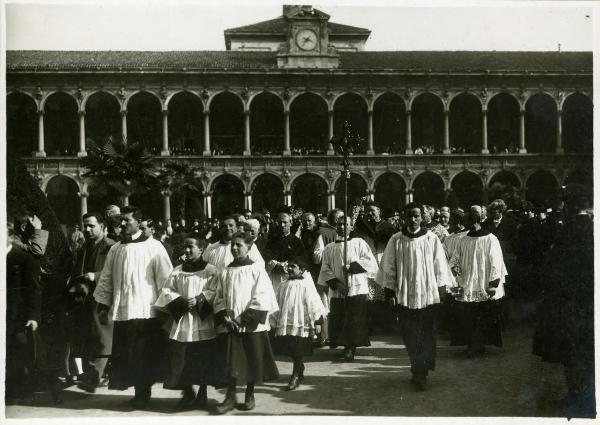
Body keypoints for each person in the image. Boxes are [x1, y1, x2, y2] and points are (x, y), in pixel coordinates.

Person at [93, 205, 173, 409]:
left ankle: (143, 392)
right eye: (121, 220)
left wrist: (166, 307)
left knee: (144, 354)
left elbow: (166, 279)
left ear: (139, 222)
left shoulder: (154, 247)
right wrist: (104, 302)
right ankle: (138, 391)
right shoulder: (116, 248)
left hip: (146, 310)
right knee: (128, 354)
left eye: (126, 220)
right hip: (123, 309)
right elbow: (107, 277)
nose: (122, 224)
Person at [377, 203, 455, 391]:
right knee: (410, 335)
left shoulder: (431, 238)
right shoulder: (396, 239)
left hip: (427, 294)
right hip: (405, 294)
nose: (413, 220)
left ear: (422, 217)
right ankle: (416, 368)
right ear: (404, 217)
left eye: (416, 216)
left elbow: (439, 265)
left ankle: (422, 373)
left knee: (426, 333)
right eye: (409, 216)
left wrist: (442, 290)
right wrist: (390, 292)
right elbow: (389, 266)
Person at [533, 184, 594, 417]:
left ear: (569, 206)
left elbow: (555, 267)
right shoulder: (591, 227)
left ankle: (577, 395)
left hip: (568, 301)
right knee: (587, 351)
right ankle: (587, 396)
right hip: (589, 300)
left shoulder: (567, 230)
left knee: (572, 352)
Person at [210, 231, 279, 414]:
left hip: (249, 323)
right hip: (230, 323)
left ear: (249, 247)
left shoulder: (257, 270)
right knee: (232, 361)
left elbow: (261, 297)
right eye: (232, 244)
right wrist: (225, 316)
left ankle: (249, 393)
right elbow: (219, 296)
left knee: (251, 358)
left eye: (238, 245)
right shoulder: (225, 270)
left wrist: (242, 318)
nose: (234, 248)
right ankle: (230, 396)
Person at [154, 235, 218, 410]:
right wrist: (181, 301)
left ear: (201, 249)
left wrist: (200, 299)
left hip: (202, 319)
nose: (187, 250)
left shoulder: (211, 270)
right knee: (181, 356)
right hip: (183, 320)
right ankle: (187, 391)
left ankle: (202, 392)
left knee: (202, 356)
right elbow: (167, 290)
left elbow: (216, 290)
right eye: (185, 247)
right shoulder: (178, 270)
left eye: (191, 247)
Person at [66, 212, 116, 394]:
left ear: (102, 226)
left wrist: (95, 275)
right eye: (85, 225)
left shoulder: (112, 247)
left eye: (91, 226)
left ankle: (94, 377)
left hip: (104, 298)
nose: (87, 229)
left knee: (103, 338)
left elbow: (117, 272)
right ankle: (92, 376)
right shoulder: (83, 248)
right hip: (84, 298)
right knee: (89, 337)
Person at [317, 215, 378, 362]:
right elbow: (325, 269)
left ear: (351, 227)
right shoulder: (329, 248)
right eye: (339, 224)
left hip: (356, 287)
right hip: (338, 288)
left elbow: (370, 261)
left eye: (346, 224)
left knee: (354, 319)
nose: (342, 227)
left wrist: (352, 267)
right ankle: (344, 346)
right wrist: (337, 284)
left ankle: (351, 348)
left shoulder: (359, 243)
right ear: (335, 227)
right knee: (340, 317)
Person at [5, 225, 55, 403]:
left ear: (10, 237)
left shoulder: (24, 259)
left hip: (18, 315)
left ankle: (25, 388)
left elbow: (34, 290)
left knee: (21, 352)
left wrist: (33, 316)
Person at [449, 205, 507, 357]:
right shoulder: (463, 239)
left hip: (483, 281)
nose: (468, 223)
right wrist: (453, 267)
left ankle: (478, 344)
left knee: (482, 314)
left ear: (477, 220)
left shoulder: (490, 239)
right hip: (468, 280)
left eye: (470, 220)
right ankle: (472, 344)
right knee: (469, 314)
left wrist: (493, 284)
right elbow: (455, 257)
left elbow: (496, 263)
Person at [270, 256, 327, 391]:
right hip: (286, 323)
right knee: (289, 348)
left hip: (301, 323)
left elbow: (315, 304)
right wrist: (273, 320)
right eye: (288, 266)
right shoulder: (282, 285)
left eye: (293, 266)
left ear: (301, 270)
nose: (289, 268)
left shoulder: (306, 286)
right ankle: (299, 366)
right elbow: (276, 303)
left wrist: (318, 322)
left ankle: (295, 376)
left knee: (297, 349)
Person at [353, 201, 396, 334]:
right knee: (371, 296)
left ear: (379, 211)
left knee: (385, 295)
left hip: (383, 260)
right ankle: (371, 325)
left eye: (372, 210)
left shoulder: (387, 226)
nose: (370, 213)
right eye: (367, 211)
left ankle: (386, 324)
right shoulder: (361, 227)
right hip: (369, 264)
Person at [264, 212, 306, 292]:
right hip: (274, 277)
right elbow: (266, 255)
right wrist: (272, 264)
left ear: (291, 223)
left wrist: (284, 265)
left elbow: (299, 259)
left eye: (285, 222)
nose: (282, 225)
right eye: (280, 223)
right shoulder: (272, 241)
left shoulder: (296, 241)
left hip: (288, 277)